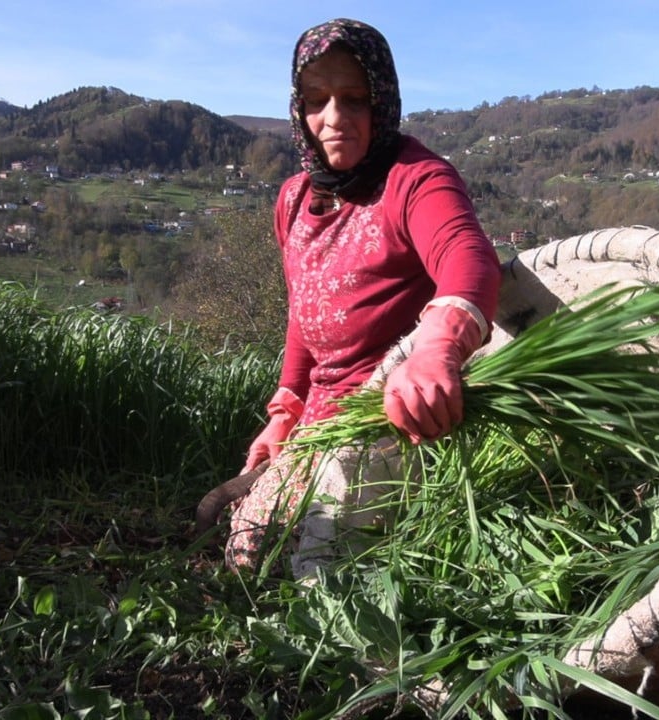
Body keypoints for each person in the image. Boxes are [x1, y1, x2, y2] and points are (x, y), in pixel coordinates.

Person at [225, 18, 502, 572]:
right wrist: (285, 412)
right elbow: (306, 314)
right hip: (321, 421)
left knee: (307, 563)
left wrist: (436, 348)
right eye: (315, 100)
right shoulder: (294, 199)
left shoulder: (417, 179)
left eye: (353, 99)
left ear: (382, 99)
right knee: (247, 551)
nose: (333, 119)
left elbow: (469, 258)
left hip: (395, 416)